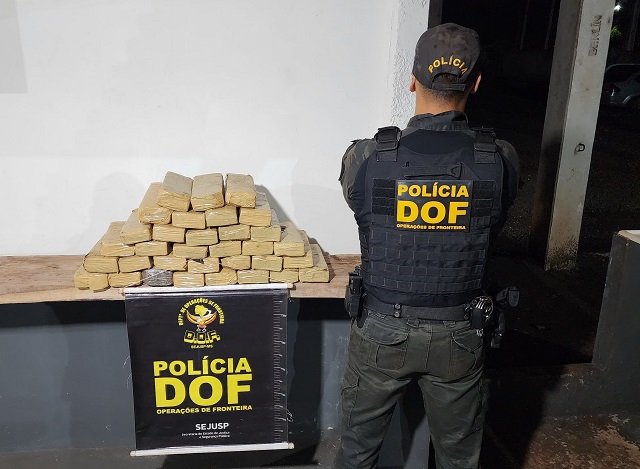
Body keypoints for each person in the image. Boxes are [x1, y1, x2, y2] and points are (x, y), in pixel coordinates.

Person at [335, 23, 519, 469]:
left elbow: (359, 203)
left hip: (381, 328)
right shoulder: (501, 159)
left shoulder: (366, 157)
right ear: (476, 83)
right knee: (459, 458)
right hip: (461, 332)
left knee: (357, 453)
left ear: (412, 80)